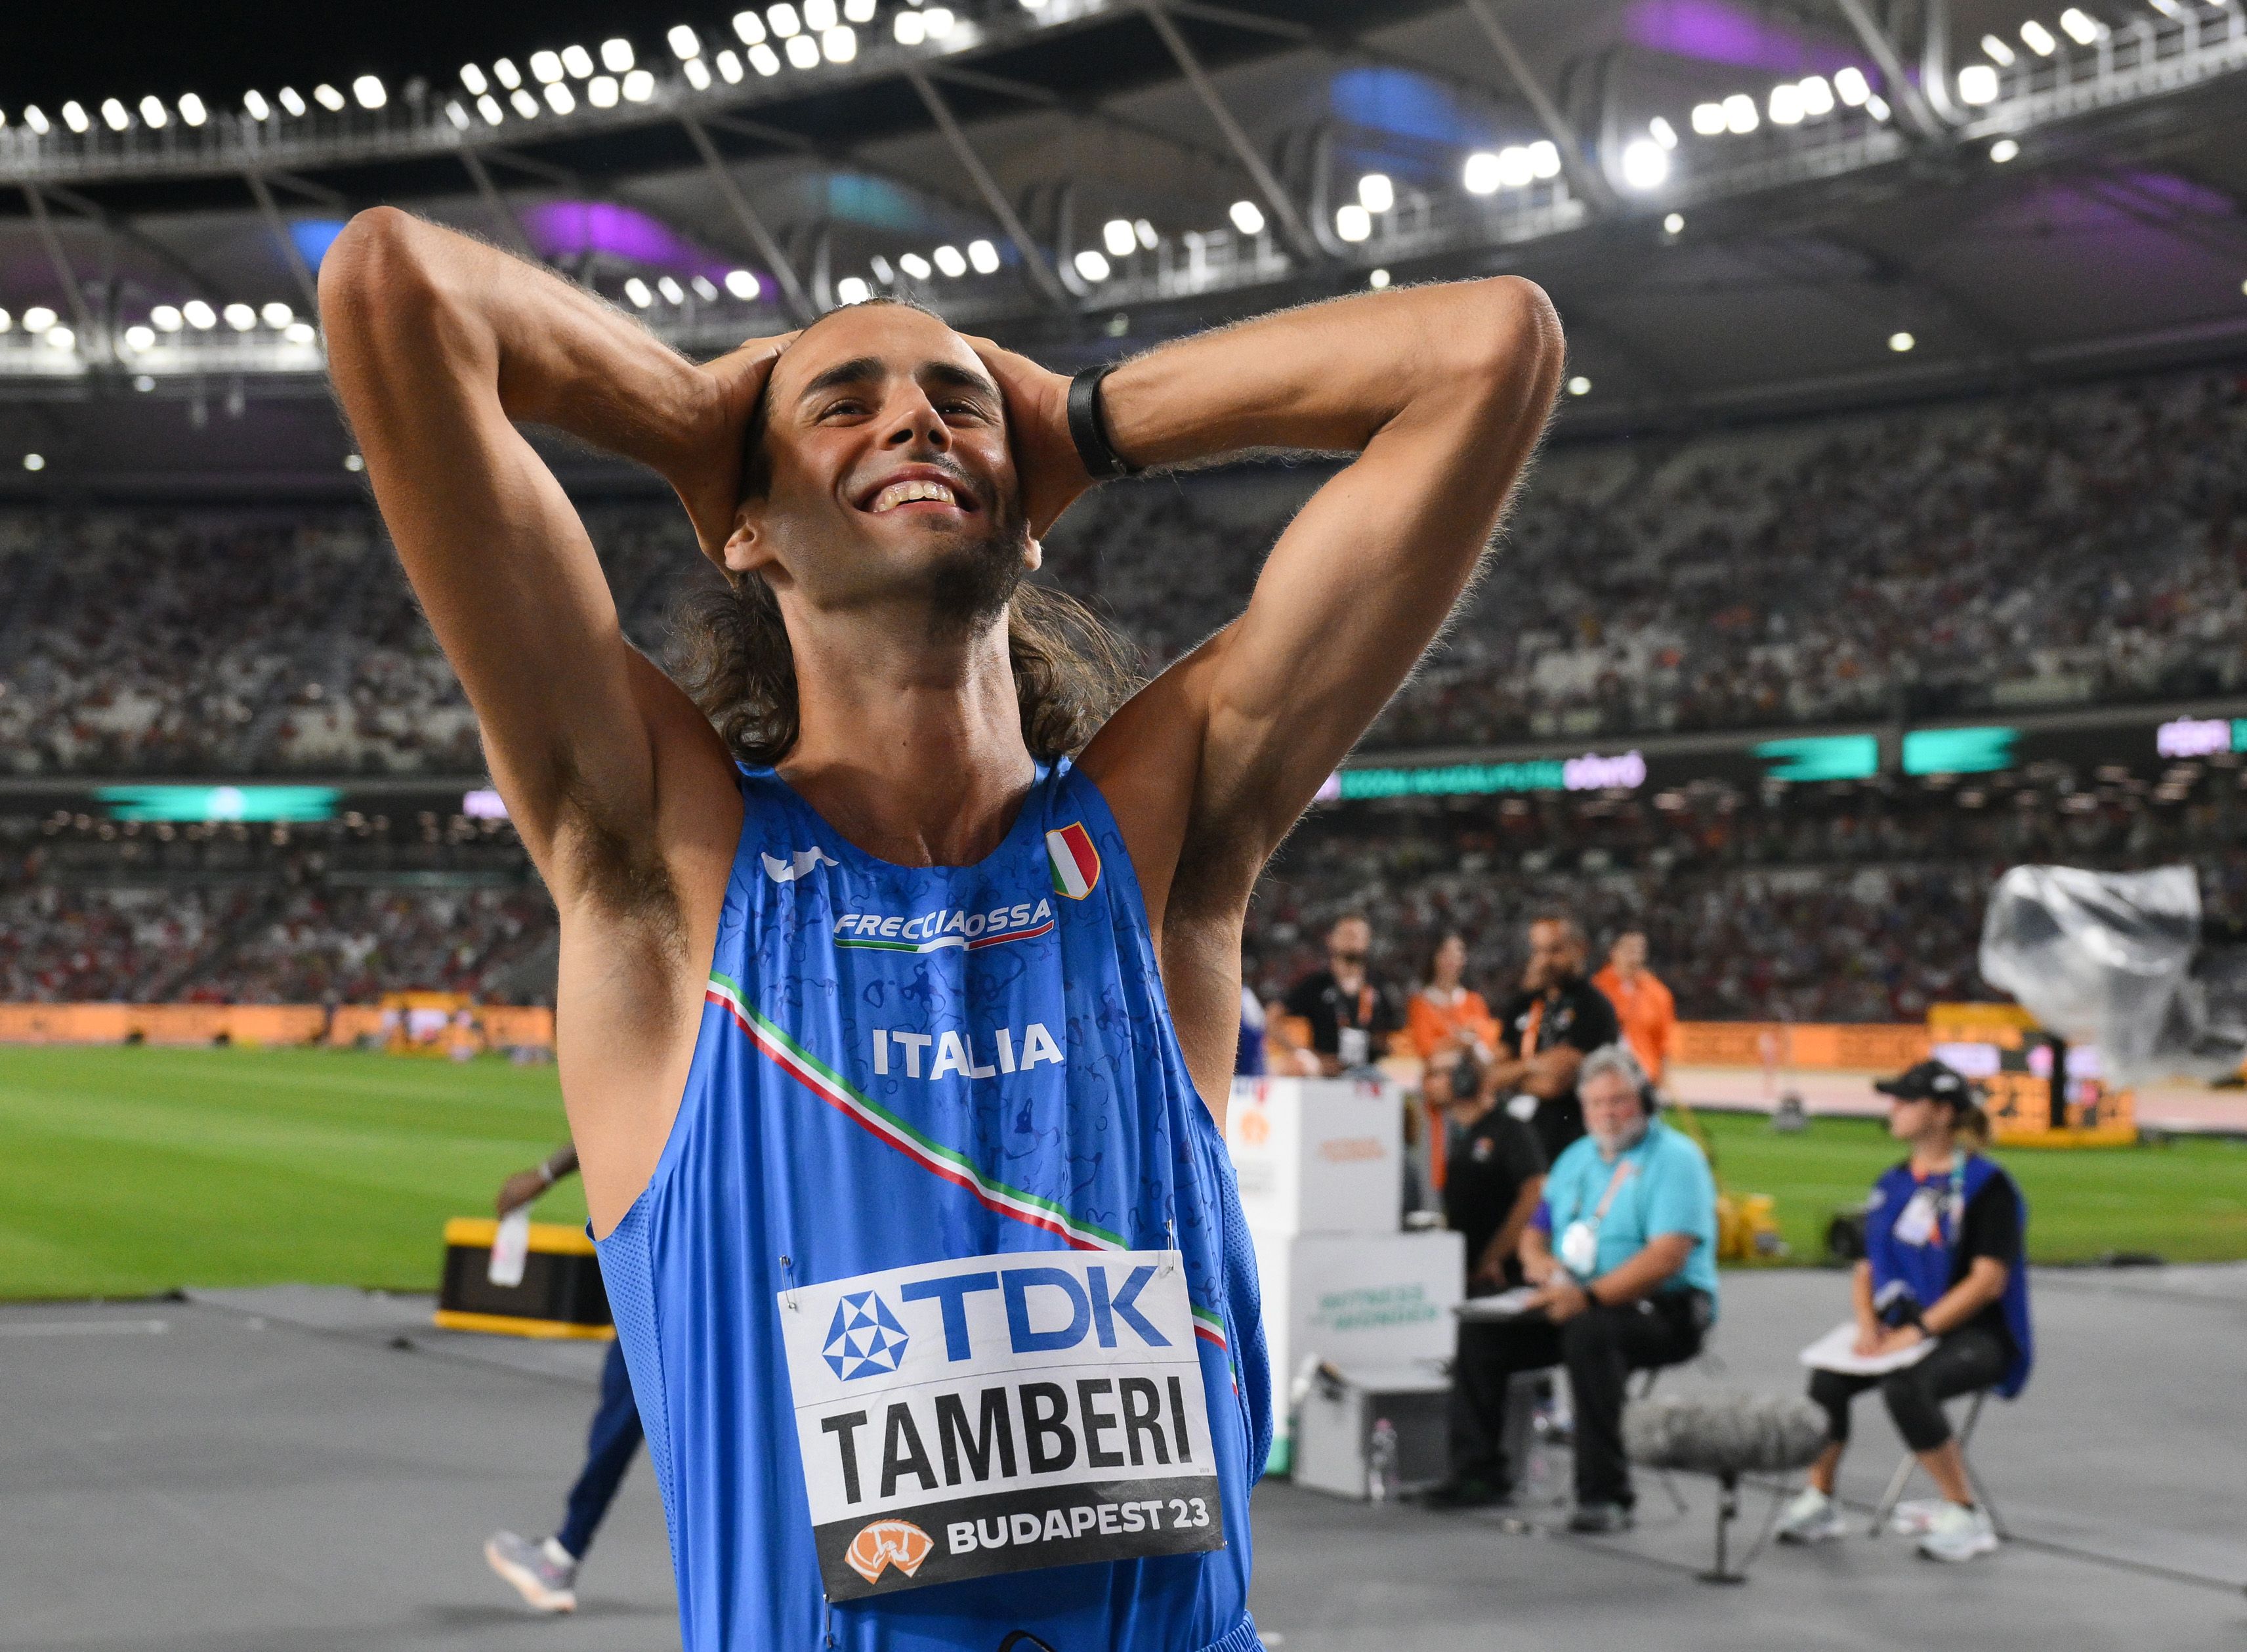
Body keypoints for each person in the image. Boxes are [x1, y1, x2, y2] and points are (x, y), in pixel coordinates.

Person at [322, 208, 1561, 1651]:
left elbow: (1489, 349)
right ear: (745, 525)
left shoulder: (1150, 856)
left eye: (953, 400)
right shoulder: (666, 864)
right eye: (846, 404)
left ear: (1023, 503)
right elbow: (399, 291)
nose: (914, 415)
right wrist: (689, 417)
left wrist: (1081, 420)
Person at [1427, 1046, 1717, 1532]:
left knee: (1590, 1333)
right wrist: (1538, 1261)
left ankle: (1606, 1495)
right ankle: (1478, 1472)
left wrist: (1588, 1296)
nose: (1608, 1113)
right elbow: (1535, 1229)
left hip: (1667, 1307)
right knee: (1482, 1328)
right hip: (1575, 1296)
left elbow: (1666, 1256)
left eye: (1619, 1100)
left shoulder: (1676, 1159)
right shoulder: (1576, 1158)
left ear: (1644, 1100)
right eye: (1596, 1103)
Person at [1774, 1059, 2031, 1563]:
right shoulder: (1893, 1182)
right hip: (1901, 1327)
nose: (1892, 1108)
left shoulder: (1987, 1185)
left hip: (1978, 1333)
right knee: (1827, 1378)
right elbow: (1867, 1269)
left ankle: (1965, 1512)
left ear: (1940, 1112)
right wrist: (1868, 1328)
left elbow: (1987, 1280)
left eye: (1905, 1100)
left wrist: (1915, 1332)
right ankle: (1821, 1499)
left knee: (1907, 1386)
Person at [481, 1143, 648, 1613]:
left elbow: (617, 1106)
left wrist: (543, 1173)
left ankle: (561, 1556)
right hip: (743, 1242)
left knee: (624, 1406)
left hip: (678, 1246)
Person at [1488, 914, 1620, 1161]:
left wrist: (1513, 1074)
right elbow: (1492, 1074)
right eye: (1538, 951)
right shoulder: (1522, 1003)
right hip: (1520, 1145)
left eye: (1554, 950)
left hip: (1572, 1145)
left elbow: (1556, 1083)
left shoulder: (1595, 1007)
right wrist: (1533, 1066)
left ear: (1579, 949)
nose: (1544, 960)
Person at [1423, 1043, 1547, 1294]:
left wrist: (1495, 1256)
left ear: (1466, 1077)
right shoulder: (1454, 1136)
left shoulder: (1510, 1131)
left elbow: (1535, 1194)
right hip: (1465, 1275)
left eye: (1439, 1073)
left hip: (1502, 1279)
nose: (1429, 1083)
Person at [1282, 914, 1405, 1074]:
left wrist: (1383, 1045)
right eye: (1347, 934)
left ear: (1368, 941)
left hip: (1371, 1071)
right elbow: (1272, 1017)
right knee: (1298, 1066)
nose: (1353, 940)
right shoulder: (1316, 984)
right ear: (1331, 939)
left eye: (1359, 935)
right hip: (1323, 1070)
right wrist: (1303, 1053)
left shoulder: (1382, 985)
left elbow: (1397, 1030)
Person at [1591, 931, 1676, 1093]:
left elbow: (1664, 1044)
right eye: (1629, 950)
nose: (1635, 957)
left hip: (1644, 1080)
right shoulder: (1597, 989)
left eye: (1640, 950)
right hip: (1604, 1080)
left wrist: (1660, 1085)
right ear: (1613, 952)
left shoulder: (1659, 993)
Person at [1406, 930, 1498, 1063]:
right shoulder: (1420, 1003)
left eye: (1458, 953)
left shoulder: (1474, 1001)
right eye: (1446, 952)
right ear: (1434, 957)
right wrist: (1459, 1040)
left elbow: (1488, 1041)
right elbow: (1425, 1047)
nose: (1452, 958)